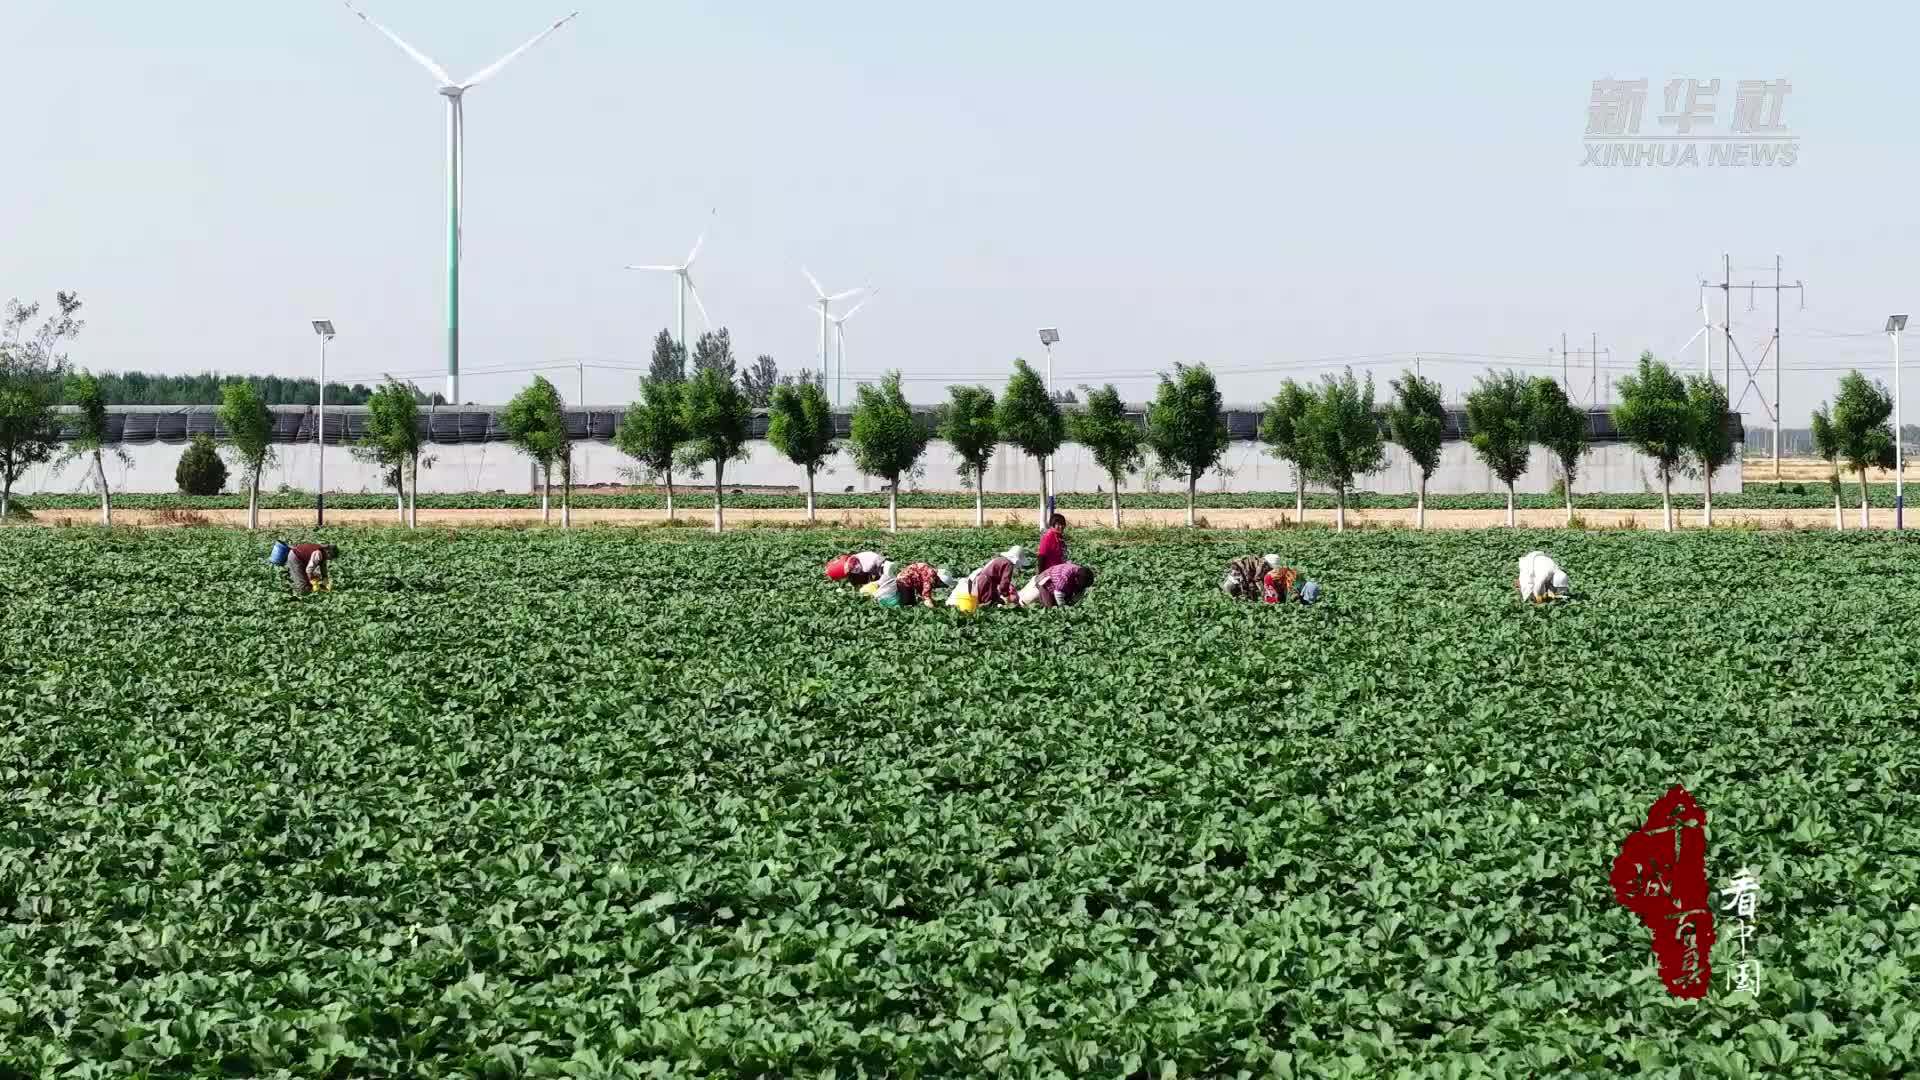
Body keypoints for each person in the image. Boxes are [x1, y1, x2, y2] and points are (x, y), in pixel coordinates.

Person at [958, 545, 1027, 609]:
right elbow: (1004, 583)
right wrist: (1006, 596)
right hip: (986, 583)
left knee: (987, 599)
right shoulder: (1008, 564)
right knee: (986, 603)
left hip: (981, 579)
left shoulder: (1000, 559)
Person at [1222, 554, 1296, 603]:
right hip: (1238, 579)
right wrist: (1263, 593)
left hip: (1238, 578)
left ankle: (1241, 599)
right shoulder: (1262, 565)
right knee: (1238, 591)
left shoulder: (1260, 562)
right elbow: (1257, 579)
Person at [1023, 561, 1096, 608]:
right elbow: (1058, 594)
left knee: (1062, 602)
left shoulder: (1083, 574)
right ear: (1076, 580)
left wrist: (1073, 602)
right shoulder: (1065, 576)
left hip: (1061, 588)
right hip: (1045, 584)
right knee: (1049, 608)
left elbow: (1081, 590)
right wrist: (1063, 608)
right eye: (1081, 585)